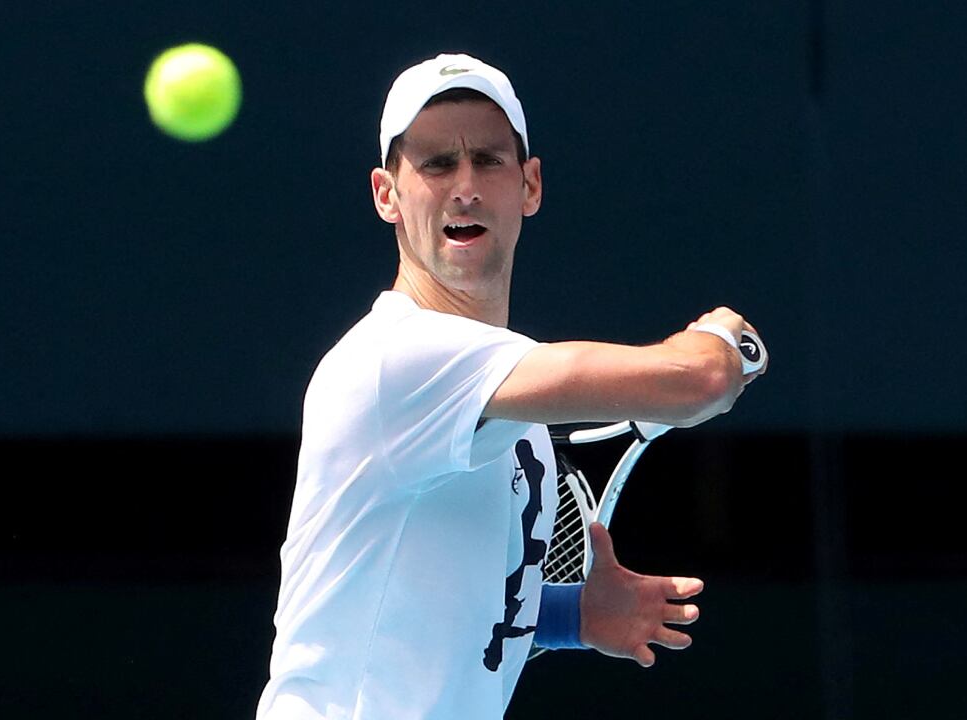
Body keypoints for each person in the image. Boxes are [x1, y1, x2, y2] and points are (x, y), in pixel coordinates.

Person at [255, 52, 767, 720]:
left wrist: (570, 616)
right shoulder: (397, 358)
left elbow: (452, 611)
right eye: (437, 164)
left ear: (529, 185)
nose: (464, 186)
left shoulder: (511, 411)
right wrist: (726, 343)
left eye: (487, 161)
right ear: (387, 194)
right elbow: (699, 381)